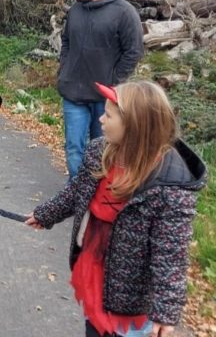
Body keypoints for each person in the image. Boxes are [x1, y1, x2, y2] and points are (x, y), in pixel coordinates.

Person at [25, 81, 207, 337]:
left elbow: (170, 254)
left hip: (130, 295)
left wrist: (166, 311)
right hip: (95, 269)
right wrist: (46, 214)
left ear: (135, 127)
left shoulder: (169, 186)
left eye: (109, 115)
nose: (100, 118)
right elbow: (77, 191)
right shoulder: (101, 151)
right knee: (93, 329)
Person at [59, 0, 144, 179]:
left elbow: (133, 52)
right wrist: (64, 68)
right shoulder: (76, 10)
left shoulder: (125, 13)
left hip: (105, 99)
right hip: (73, 93)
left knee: (104, 151)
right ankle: (76, 195)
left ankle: (97, 197)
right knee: (74, 149)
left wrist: (113, 82)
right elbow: (66, 41)